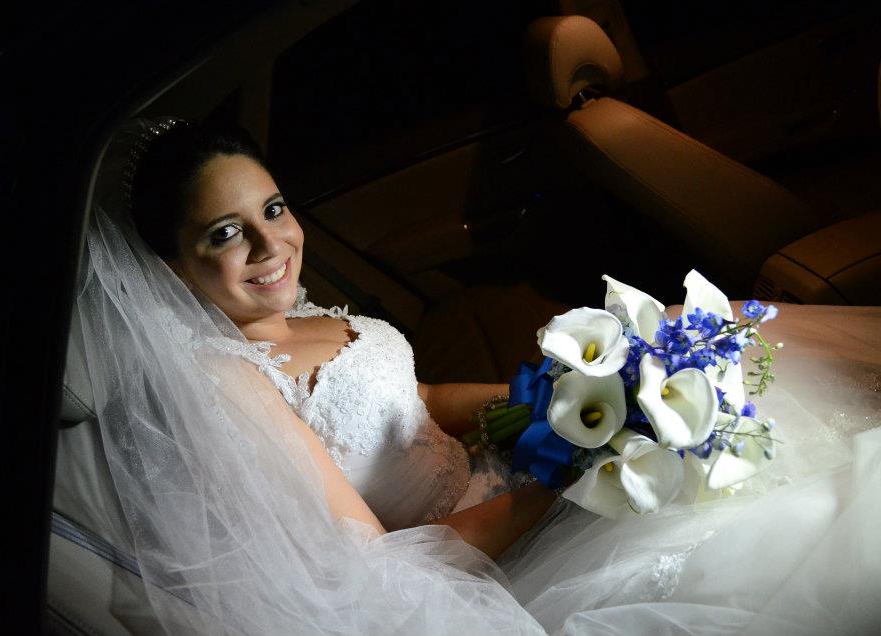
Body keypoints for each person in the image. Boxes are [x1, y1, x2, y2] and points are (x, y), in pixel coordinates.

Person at [74, 116, 881, 634]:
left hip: (509, 477)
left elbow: (420, 400)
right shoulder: (228, 382)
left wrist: (576, 399)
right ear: (169, 269)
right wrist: (568, 474)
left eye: (274, 210)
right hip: (481, 558)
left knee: (733, 415)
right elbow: (371, 562)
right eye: (224, 234)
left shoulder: (305, 316)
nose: (270, 245)